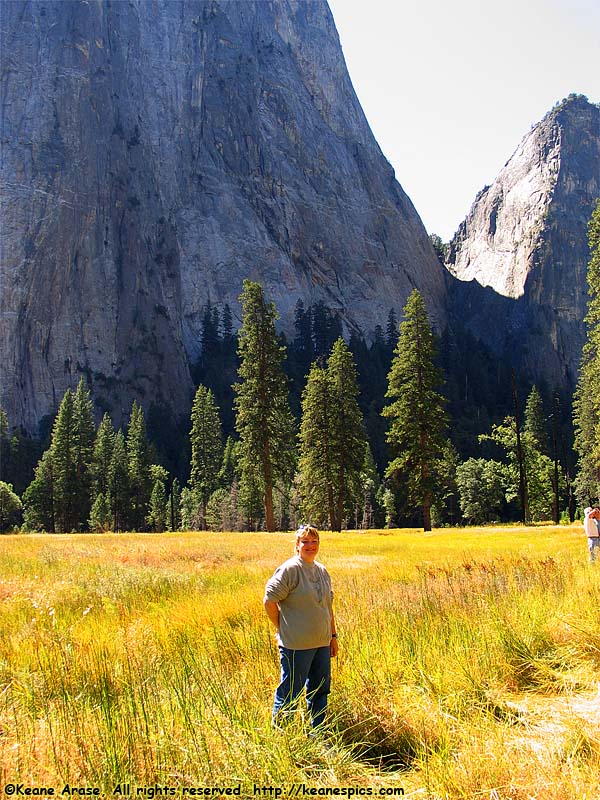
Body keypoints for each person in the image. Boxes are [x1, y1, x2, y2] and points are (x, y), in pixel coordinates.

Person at [263, 525, 338, 728]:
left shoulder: (322, 571)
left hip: (322, 643)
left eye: (314, 542)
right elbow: (269, 600)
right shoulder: (290, 570)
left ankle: (318, 733)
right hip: (296, 645)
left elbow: (328, 607)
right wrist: (282, 627)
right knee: (289, 693)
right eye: (305, 541)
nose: (310, 546)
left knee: (320, 690)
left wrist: (333, 636)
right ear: (297, 545)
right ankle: (282, 737)